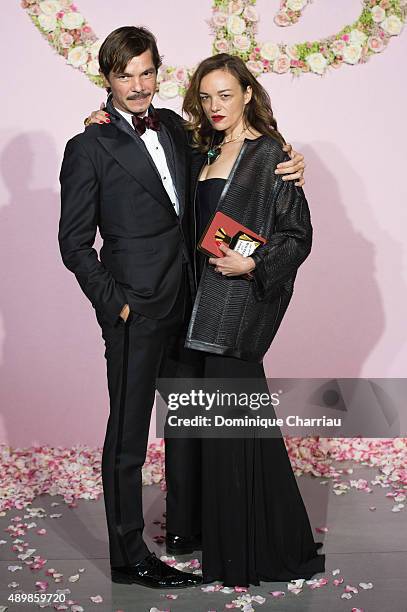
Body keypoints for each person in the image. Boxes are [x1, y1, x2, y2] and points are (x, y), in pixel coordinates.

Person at [69, 27, 307, 588]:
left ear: (158, 72)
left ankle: (187, 527)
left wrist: (291, 163)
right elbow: (74, 245)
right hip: (136, 311)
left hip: (189, 306)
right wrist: (118, 306)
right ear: (107, 79)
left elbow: (230, 184)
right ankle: (129, 558)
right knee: (128, 437)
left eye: (146, 72)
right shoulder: (88, 146)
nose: (136, 85)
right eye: (124, 75)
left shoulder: (178, 130)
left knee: (189, 423)